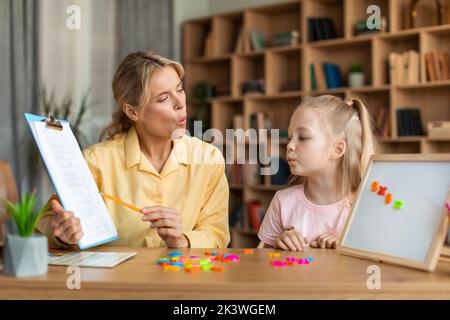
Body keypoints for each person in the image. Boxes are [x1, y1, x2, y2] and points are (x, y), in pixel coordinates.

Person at [36, 51, 230, 249]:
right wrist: (61, 234)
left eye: (179, 90)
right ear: (133, 111)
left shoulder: (209, 158)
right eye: (163, 98)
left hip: (182, 278)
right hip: (113, 280)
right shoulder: (95, 161)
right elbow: (43, 227)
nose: (180, 103)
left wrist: (183, 240)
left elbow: (217, 234)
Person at [258, 95, 377, 251]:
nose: (290, 145)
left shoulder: (365, 205)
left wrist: (348, 245)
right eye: (290, 137)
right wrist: (278, 246)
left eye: (303, 137)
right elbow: (263, 264)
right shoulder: (282, 201)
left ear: (337, 149)